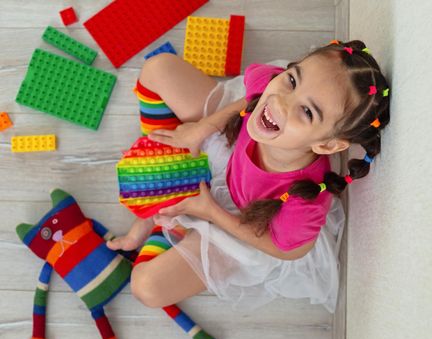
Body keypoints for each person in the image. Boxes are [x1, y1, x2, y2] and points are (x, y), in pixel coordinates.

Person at [107, 40, 391, 314]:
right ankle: (169, 164)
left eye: (306, 111)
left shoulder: (306, 200)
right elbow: (252, 100)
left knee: (146, 287)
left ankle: (174, 218)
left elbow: (286, 251)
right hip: (228, 145)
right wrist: (202, 128)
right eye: (292, 80)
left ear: (328, 145)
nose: (280, 102)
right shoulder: (272, 95)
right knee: (157, 68)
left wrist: (210, 212)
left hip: (243, 223)